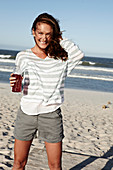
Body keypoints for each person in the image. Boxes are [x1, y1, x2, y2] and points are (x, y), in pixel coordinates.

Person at [10, 12, 84, 170]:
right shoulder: (23, 56)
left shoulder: (60, 59)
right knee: (18, 163)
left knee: (55, 165)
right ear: (33, 32)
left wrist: (58, 37)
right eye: (40, 33)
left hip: (51, 114)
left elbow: (78, 53)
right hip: (26, 113)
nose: (43, 38)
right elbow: (19, 75)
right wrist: (15, 81)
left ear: (54, 35)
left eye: (48, 34)